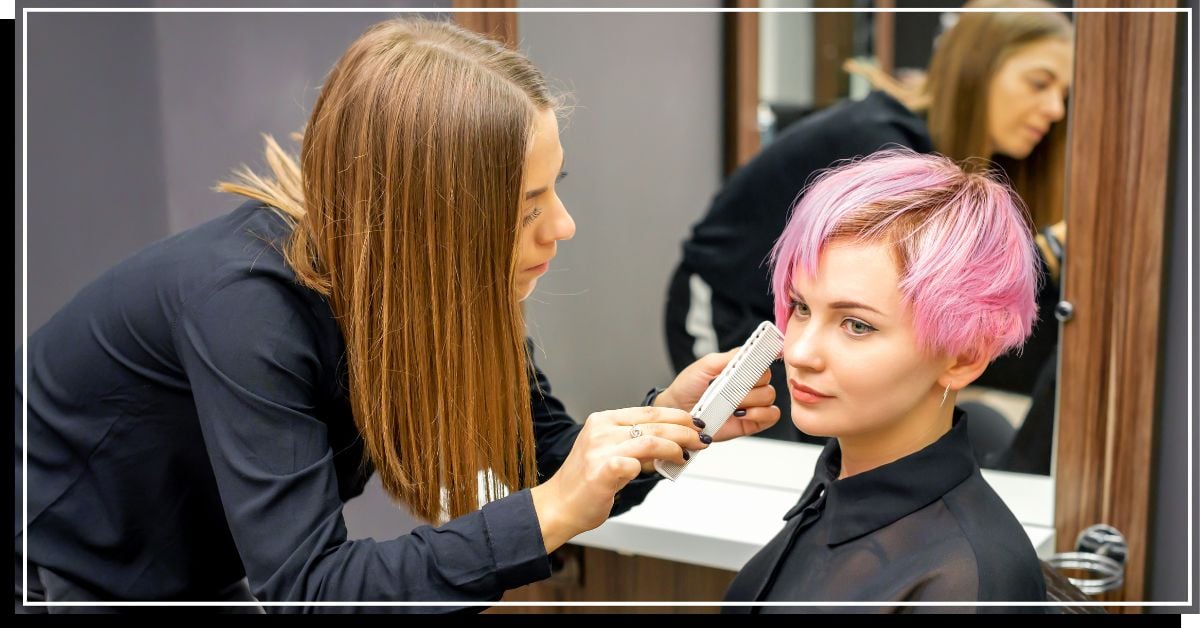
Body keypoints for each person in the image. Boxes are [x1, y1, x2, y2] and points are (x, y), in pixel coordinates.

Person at [14, 18, 781, 612]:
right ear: (428, 219)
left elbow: (546, 458)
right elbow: (314, 591)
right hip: (57, 562)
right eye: (524, 209)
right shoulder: (244, 307)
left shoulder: (433, 292)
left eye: (555, 188)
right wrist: (548, 513)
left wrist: (667, 424)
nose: (562, 227)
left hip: (186, 565)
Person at [665, 0, 1073, 449]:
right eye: (1039, 84)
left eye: (1063, 94)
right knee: (771, 456)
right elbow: (940, 287)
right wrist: (1051, 248)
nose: (1054, 109)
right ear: (977, 68)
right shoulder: (884, 147)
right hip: (728, 303)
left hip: (817, 319)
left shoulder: (943, 162)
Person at [722, 150, 1046, 612]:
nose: (795, 352)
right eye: (800, 308)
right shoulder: (840, 482)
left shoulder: (964, 581)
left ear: (964, 355)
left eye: (856, 325)